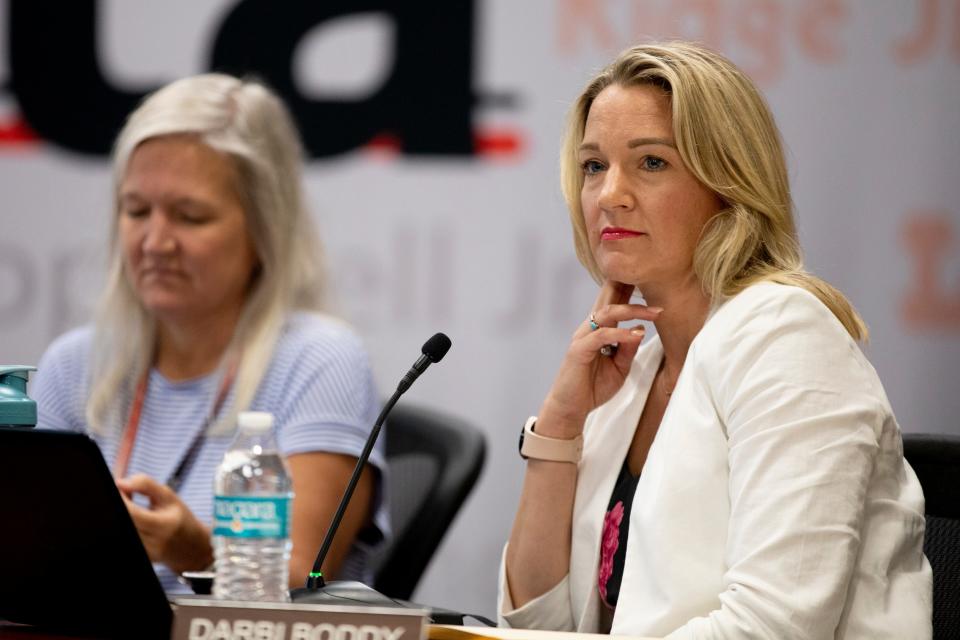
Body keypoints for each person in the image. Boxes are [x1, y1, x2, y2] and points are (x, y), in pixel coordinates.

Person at [500, 42, 931, 638]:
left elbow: (775, 625)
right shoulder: (636, 360)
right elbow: (533, 624)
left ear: (728, 183)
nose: (608, 194)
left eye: (651, 163)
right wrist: (561, 424)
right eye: (594, 165)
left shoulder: (787, 338)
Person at [31, 74, 387, 593]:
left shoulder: (322, 360)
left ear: (265, 230)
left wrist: (194, 551)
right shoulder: (72, 364)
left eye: (190, 216)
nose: (155, 241)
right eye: (135, 211)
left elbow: (301, 578)